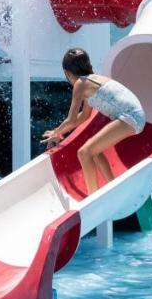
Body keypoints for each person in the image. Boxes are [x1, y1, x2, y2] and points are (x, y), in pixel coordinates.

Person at [43, 48, 146, 196]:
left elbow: (71, 119)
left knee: (84, 153)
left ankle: (92, 198)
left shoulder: (80, 84)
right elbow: (84, 116)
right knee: (94, 152)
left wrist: (56, 132)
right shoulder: (91, 81)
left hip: (129, 116)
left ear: (67, 72)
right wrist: (60, 131)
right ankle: (114, 189)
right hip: (135, 116)